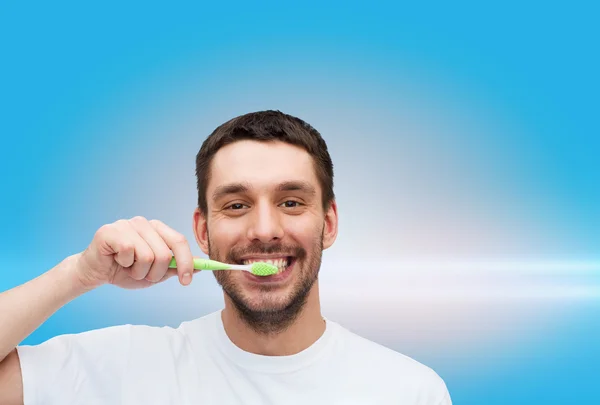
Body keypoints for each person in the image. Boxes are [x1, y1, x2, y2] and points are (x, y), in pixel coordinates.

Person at [0, 110, 452, 404]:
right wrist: (77, 274)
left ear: (328, 223)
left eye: (291, 202)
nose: (264, 229)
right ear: (202, 231)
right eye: (236, 205)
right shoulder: (124, 366)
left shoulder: (409, 390)